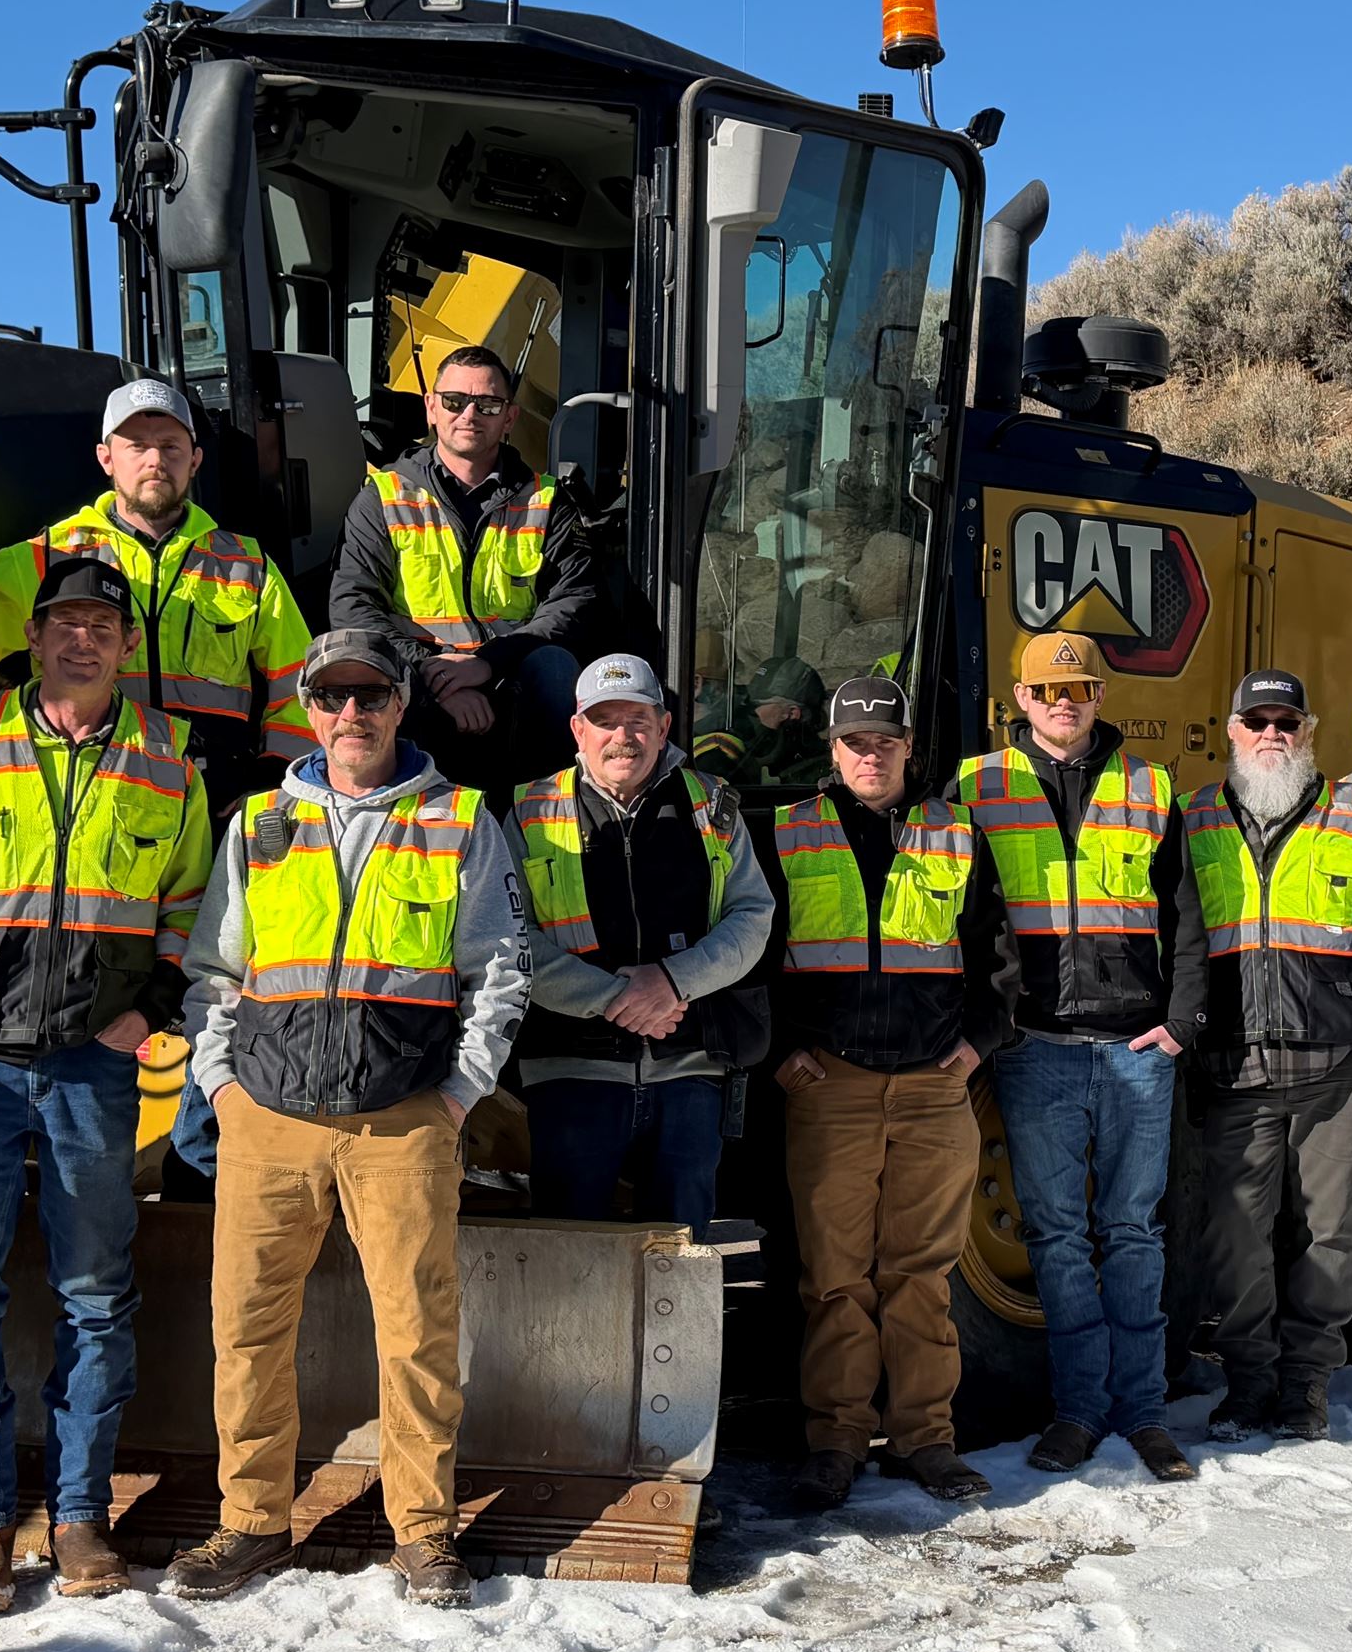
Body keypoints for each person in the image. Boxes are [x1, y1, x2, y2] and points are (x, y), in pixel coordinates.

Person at [0, 557, 211, 1615]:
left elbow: (190, 913)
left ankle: (76, 1518)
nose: (83, 640)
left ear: (125, 644)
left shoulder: (168, 764)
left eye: (104, 625)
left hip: (88, 1072)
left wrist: (144, 1016)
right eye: (66, 621)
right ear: (37, 634)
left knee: (97, 1300)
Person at [163, 631, 529, 1607]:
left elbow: (497, 970)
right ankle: (249, 1524)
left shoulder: (457, 818)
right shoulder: (258, 823)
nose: (351, 715)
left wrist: (457, 1095)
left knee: (415, 1329)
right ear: (309, 710)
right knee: (245, 1327)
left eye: (370, 695)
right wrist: (222, 1090)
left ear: (400, 703)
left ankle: (422, 1533)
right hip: (266, 1118)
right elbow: (213, 967)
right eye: (332, 698)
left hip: (402, 1117)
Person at [0, 376, 315, 1195]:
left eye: (170, 445)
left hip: (212, 809)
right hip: (100, 809)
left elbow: (293, 688)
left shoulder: (244, 566)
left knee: (222, 984)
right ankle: (59, 1133)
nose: (155, 458)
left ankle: (197, 1160)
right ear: (106, 458)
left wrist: (273, 796)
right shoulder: (51, 555)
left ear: (195, 460)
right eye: (137, 444)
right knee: (93, 970)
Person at [953, 631, 1205, 1483]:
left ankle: (1144, 1414)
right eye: (1049, 691)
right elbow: (962, 914)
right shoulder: (977, 786)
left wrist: (1181, 1021)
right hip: (1035, 1049)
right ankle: (1079, 1412)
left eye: (1083, 688)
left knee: (1133, 1233)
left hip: (1136, 1046)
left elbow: (1187, 915)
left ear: (1101, 696)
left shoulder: (1149, 785)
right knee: (1057, 1237)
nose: (1066, 702)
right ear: (1019, 700)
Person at [771, 678, 1017, 1511]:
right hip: (829, 1084)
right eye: (853, 742)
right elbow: (752, 948)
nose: (868, 755)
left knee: (922, 1272)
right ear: (832, 751)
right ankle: (834, 1442)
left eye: (883, 740)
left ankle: (926, 1440)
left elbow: (996, 955)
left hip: (930, 1091)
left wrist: (977, 1044)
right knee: (834, 1277)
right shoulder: (789, 833)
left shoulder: (955, 831)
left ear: (910, 746)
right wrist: (778, 1051)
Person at [1187, 671, 1352, 1444]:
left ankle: (1305, 1388)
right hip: (1233, 1072)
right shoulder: (1194, 819)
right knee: (1234, 1239)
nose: (1270, 735)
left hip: (1340, 1072)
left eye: (1284, 721)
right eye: (1254, 721)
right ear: (1230, 730)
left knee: (1330, 1236)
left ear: (1310, 729)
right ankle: (1249, 1382)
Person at [505, 653, 775, 1234]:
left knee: (678, 1264)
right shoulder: (527, 811)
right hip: (571, 1073)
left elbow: (752, 915)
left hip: (689, 1073)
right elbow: (507, 936)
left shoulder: (715, 804)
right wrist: (612, 998)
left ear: (664, 726)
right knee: (571, 1264)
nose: (622, 737)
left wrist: (673, 982)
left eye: (637, 719)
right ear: (578, 729)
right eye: (605, 720)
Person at [332, 345, 604, 796]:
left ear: (510, 417)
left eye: (488, 405)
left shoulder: (547, 499)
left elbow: (577, 601)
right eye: (455, 401)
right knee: (360, 669)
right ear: (432, 407)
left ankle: (550, 812)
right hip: (415, 676)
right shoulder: (382, 497)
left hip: (509, 671)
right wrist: (435, 676)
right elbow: (352, 608)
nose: (469, 414)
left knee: (557, 667)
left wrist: (487, 663)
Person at [691, 654, 829, 787]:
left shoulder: (812, 773)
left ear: (791, 713)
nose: (746, 711)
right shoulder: (752, 750)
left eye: (755, 705)